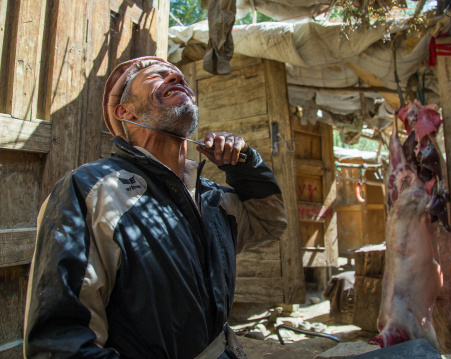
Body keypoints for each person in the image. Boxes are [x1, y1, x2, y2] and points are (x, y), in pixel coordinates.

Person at [23, 57, 287, 358]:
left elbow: (270, 222)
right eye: (158, 76)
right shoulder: (90, 190)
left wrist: (246, 164)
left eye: (181, 78)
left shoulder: (213, 199)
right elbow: (58, 344)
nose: (178, 79)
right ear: (125, 112)